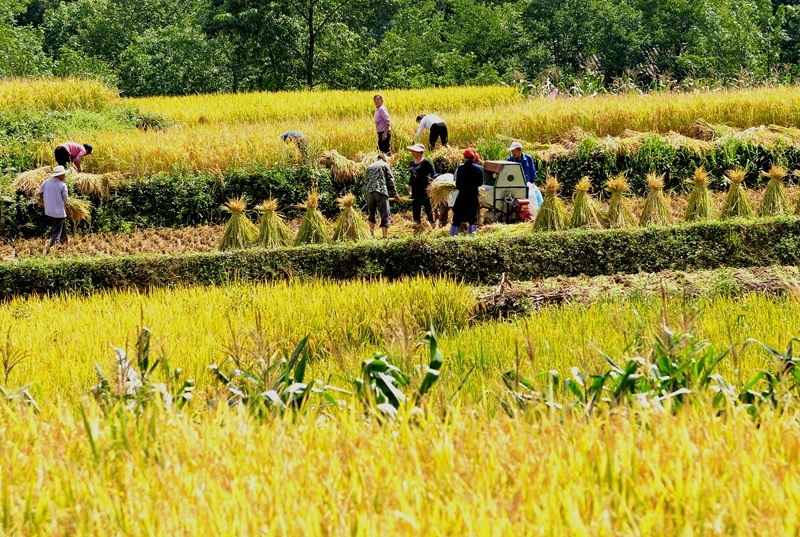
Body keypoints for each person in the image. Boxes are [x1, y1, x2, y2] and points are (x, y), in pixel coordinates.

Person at [364, 153, 400, 238]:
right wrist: (395, 194)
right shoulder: (385, 165)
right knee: (385, 213)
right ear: (384, 159)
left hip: (369, 192)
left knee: (371, 214)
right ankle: (384, 236)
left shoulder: (369, 166)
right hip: (381, 191)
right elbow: (391, 180)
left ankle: (372, 235)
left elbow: (366, 181)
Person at [451, 148, 484, 236]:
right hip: (473, 196)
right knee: (473, 217)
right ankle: (472, 236)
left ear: (464, 157)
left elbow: (457, 184)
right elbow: (480, 183)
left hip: (462, 196)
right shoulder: (479, 168)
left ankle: (452, 235)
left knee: (457, 217)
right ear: (473, 157)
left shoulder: (460, 168)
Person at [37, 165, 69, 253]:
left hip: (49, 210)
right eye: (63, 174)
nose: (64, 176)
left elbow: (39, 193)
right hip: (58, 211)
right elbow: (66, 199)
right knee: (57, 230)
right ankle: (52, 248)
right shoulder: (62, 185)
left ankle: (65, 242)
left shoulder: (46, 182)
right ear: (59, 175)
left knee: (60, 226)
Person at [507, 140, 543, 209]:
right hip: (515, 184)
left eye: (514, 151)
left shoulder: (528, 158)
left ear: (519, 150)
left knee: (531, 198)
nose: (513, 153)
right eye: (512, 151)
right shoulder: (510, 159)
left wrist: (533, 182)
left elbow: (532, 171)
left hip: (527, 184)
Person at [406, 143, 436, 225]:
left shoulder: (426, 162)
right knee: (416, 208)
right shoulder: (412, 162)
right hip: (415, 190)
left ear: (419, 152)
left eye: (414, 151)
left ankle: (432, 223)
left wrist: (430, 186)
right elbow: (412, 176)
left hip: (424, 189)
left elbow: (433, 175)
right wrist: (409, 185)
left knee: (428, 207)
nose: (413, 153)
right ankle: (417, 225)